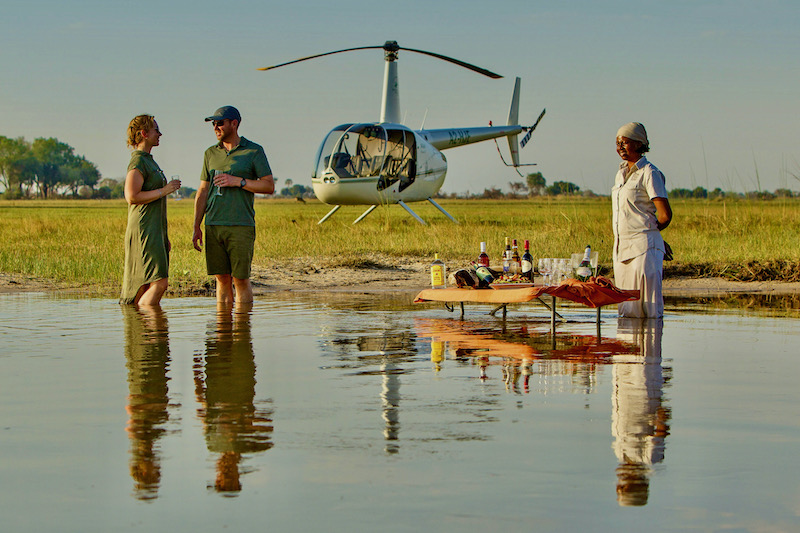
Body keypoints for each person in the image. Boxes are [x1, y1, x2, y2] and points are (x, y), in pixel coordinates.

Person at [192, 106, 274, 304]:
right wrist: (196, 226)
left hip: (241, 224)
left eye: (219, 123)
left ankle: (242, 331)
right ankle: (223, 333)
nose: (215, 127)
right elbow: (203, 191)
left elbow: (268, 185)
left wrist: (239, 181)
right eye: (213, 124)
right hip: (213, 224)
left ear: (234, 124)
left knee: (240, 280)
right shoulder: (210, 153)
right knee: (221, 279)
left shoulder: (254, 151)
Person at [611, 122, 673, 318]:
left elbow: (664, 215)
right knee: (627, 309)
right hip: (621, 249)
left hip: (643, 250)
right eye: (617, 143)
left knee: (647, 309)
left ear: (639, 144)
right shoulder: (620, 174)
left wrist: (652, 238)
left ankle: (649, 349)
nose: (620, 147)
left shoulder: (649, 173)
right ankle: (626, 349)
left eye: (625, 142)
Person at [120, 115, 181, 306]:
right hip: (144, 228)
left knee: (147, 283)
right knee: (160, 282)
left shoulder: (149, 161)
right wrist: (165, 190)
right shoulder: (138, 162)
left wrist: (163, 235)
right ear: (144, 134)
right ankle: (147, 324)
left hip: (154, 229)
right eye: (156, 130)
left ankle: (142, 331)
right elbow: (131, 196)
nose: (160, 134)